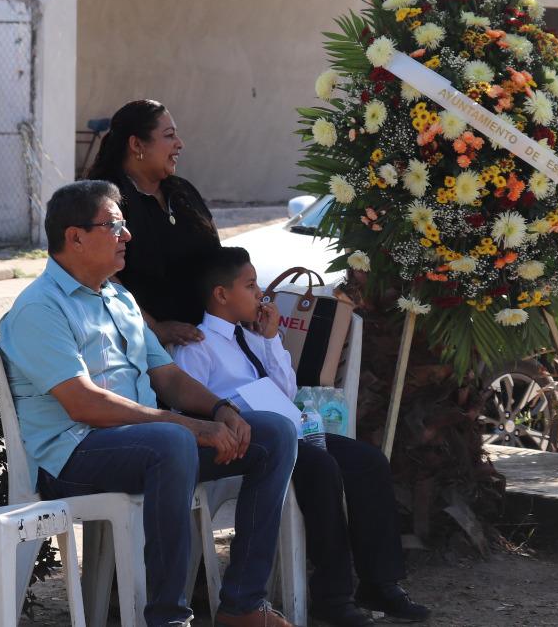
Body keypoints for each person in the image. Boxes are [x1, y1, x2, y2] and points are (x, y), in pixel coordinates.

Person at [0, 181, 299, 627]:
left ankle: (242, 605)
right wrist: (191, 427)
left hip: (143, 446)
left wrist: (222, 411)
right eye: (113, 225)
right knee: (171, 442)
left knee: (273, 433)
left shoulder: (120, 298)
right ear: (75, 237)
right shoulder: (39, 307)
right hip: (71, 457)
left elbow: (169, 377)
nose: (127, 235)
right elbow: (84, 404)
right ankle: (169, 617)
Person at [175, 248, 429, 627]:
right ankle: (332, 595)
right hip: (251, 443)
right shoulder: (197, 345)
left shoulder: (252, 337)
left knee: (368, 462)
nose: (260, 293)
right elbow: (189, 407)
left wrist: (270, 340)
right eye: (250, 286)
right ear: (221, 294)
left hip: (291, 430)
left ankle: (380, 582)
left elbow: (286, 391)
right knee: (321, 468)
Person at [86, 99, 220, 346]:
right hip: (140, 345)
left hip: (204, 337)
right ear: (137, 144)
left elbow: (216, 255)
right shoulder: (106, 202)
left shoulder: (183, 192)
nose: (179, 143)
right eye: (169, 135)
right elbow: (102, 275)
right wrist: (153, 329)